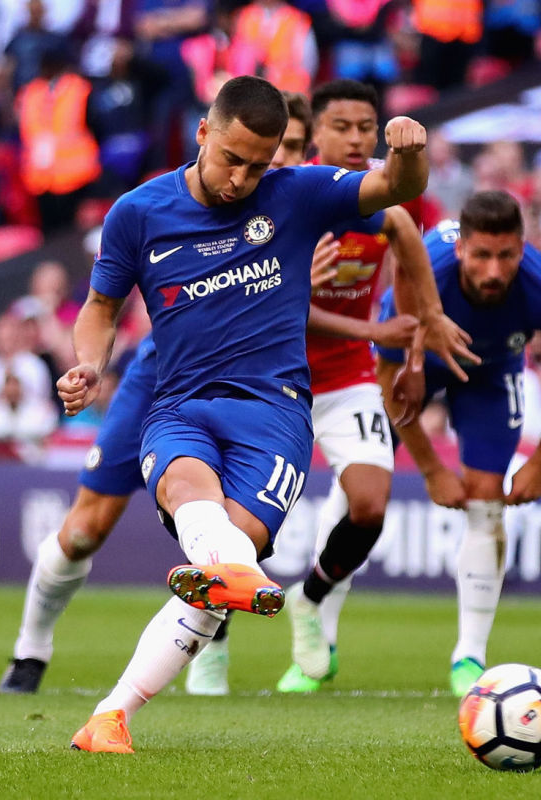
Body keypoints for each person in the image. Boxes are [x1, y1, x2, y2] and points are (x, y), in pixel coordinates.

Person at [57, 75, 430, 753]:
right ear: (203, 133)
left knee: (223, 568)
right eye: (232, 159)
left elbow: (395, 192)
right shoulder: (138, 213)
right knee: (193, 498)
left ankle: (110, 714)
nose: (241, 179)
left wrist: (406, 152)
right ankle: (217, 587)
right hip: (181, 405)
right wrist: (90, 363)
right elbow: (101, 307)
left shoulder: (297, 191)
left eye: (258, 165)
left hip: (276, 416)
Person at [187, 79, 476, 696]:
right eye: (341, 127)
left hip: (346, 377)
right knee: (237, 526)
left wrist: (419, 345)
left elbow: (409, 249)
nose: (355, 138)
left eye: (365, 127)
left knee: (370, 506)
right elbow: (270, 305)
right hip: (265, 376)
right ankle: (211, 641)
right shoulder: (287, 198)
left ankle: (310, 598)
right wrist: (365, 320)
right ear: (313, 132)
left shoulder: (382, 197)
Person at [375, 191, 541, 696]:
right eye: (482, 256)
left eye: (506, 256)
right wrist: (430, 468)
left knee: (486, 499)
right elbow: (387, 371)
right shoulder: (422, 273)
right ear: (460, 252)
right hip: (417, 362)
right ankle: (319, 612)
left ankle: (469, 656)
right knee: (361, 482)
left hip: (492, 373)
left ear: (522, 249)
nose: (494, 271)